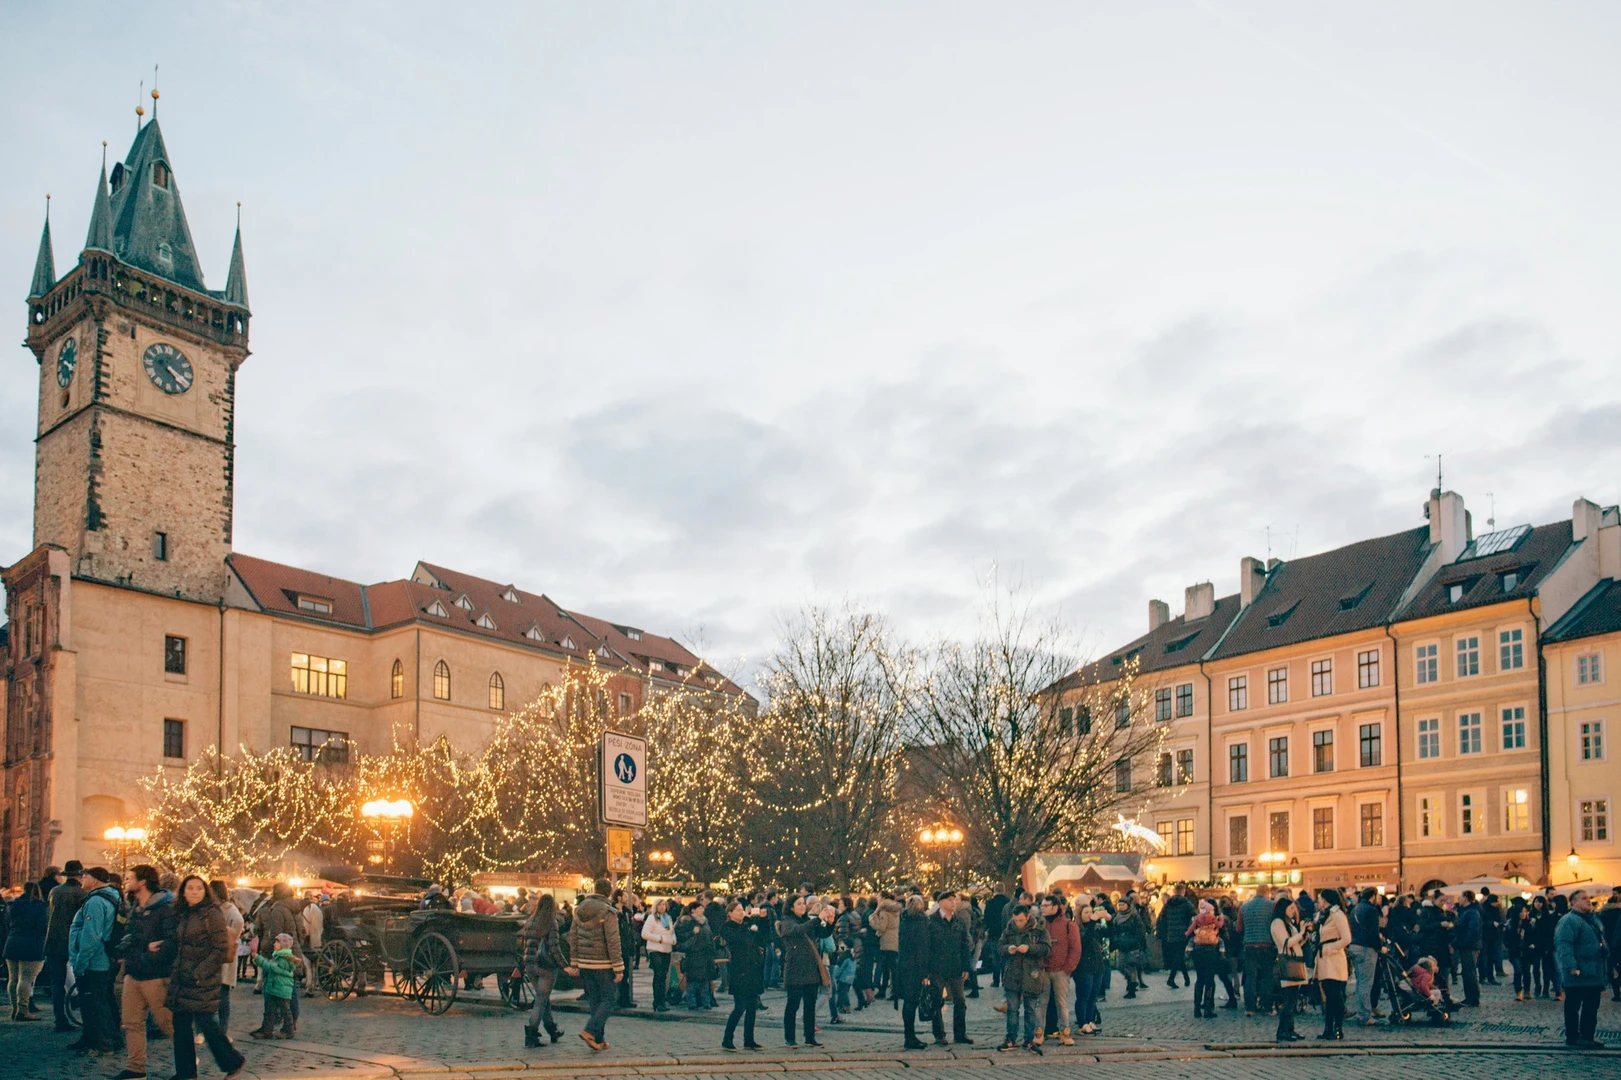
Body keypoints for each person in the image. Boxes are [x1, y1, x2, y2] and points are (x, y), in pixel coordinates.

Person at [167, 876, 246, 1080]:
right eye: (190, 888)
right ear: (183, 891)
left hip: (201, 979)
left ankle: (233, 1061)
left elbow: (220, 948)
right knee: (181, 1026)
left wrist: (199, 973)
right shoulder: (182, 913)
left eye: (199, 888)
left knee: (206, 1023)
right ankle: (186, 1073)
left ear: (205, 892)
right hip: (181, 977)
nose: (194, 892)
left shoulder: (212, 913)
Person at [116, 864, 177, 1080]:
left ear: (142, 881)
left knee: (167, 1023)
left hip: (155, 975)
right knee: (131, 1022)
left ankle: (188, 1064)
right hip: (133, 972)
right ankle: (136, 1068)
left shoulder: (165, 909)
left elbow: (170, 943)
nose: (126, 881)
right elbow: (130, 937)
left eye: (130, 878)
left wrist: (147, 955)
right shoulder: (133, 907)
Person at [565, 878, 623, 1051]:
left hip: (585, 963)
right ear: (609, 892)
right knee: (610, 999)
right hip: (603, 962)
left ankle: (598, 1038)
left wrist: (575, 962)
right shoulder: (607, 911)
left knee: (595, 1000)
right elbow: (613, 940)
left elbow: (573, 936)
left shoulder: (579, 909)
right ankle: (590, 1031)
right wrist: (618, 967)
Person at [1554, 890, 1607, 1050]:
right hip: (1577, 973)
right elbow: (1564, 945)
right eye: (1583, 898)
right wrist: (1571, 967)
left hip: (1593, 972)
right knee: (1573, 1006)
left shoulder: (1591, 919)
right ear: (1573, 902)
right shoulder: (1569, 920)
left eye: (1588, 898)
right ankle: (1573, 1036)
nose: (1588, 901)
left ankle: (1587, 1035)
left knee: (1591, 1006)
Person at [996, 904, 1049, 1054]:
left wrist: (1029, 948)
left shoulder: (1039, 930)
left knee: (1030, 1009)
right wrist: (1008, 949)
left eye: (1021, 920)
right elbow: (999, 947)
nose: (1018, 923)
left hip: (1032, 974)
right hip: (1013, 974)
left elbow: (1046, 949)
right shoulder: (1009, 929)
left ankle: (1029, 1040)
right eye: (1016, 920)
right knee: (1012, 1009)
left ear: (1027, 917)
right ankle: (1010, 1039)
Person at [925, 891, 974, 1047]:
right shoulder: (931, 921)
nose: (953, 903)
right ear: (940, 902)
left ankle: (960, 1033)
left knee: (960, 1001)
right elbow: (926, 947)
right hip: (937, 968)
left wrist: (966, 967)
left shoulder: (958, 921)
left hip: (955, 967)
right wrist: (926, 970)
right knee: (936, 1001)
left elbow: (964, 945)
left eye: (954, 900)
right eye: (949, 900)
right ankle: (939, 1035)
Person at [718, 899, 768, 1051]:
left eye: (742, 910)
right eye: (738, 910)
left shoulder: (745, 927)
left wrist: (761, 921)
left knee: (752, 1007)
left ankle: (749, 1040)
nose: (742, 913)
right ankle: (727, 1039)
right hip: (739, 971)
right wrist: (746, 922)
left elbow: (760, 938)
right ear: (730, 913)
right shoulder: (727, 927)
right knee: (740, 1007)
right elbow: (736, 939)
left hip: (752, 970)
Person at [43, 860, 86, 1032]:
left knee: (57, 983)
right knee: (82, 979)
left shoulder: (55, 891)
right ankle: (85, 1017)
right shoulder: (82, 893)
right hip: (73, 941)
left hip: (54, 941)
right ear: (80, 875)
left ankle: (59, 1019)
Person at [775, 894, 822, 1047]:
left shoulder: (806, 919)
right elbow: (798, 930)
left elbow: (822, 933)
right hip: (795, 969)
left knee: (810, 1006)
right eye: (799, 904)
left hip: (810, 968)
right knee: (793, 1005)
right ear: (791, 907)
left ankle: (809, 1037)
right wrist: (817, 919)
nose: (803, 906)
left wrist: (829, 921)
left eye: (803, 903)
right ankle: (790, 1037)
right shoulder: (787, 921)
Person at [520, 893, 567, 1047]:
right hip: (545, 965)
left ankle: (552, 1029)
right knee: (541, 1000)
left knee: (543, 998)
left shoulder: (530, 921)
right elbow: (554, 947)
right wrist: (564, 965)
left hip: (530, 964)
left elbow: (525, 944)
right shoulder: (551, 922)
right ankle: (531, 1034)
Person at [1037, 894, 1078, 1045]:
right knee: (1041, 1003)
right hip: (1044, 970)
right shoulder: (1039, 925)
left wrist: (1067, 969)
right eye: (1041, 905)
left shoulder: (1068, 925)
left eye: (1046, 906)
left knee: (1061, 1003)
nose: (1042, 908)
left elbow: (1075, 948)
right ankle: (1039, 1033)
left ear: (1055, 907)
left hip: (1060, 971)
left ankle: (1065, 1033)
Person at [5, 881, 48, 1021]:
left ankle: (15, 1009)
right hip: (31, 944)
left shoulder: (13, 905)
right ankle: (23, 1011)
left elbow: (7, 924)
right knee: (25, 979)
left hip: (12, 942)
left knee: (13, 979)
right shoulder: (39, 906)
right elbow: (42, 927)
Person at [1313, 889, 1350, 1040]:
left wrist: (1330, 948)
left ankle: (1337, 1028)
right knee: (1328, 996)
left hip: (1334, 959)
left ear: (1325, 899)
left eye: (1320, 899)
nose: (1318, 901)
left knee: (1335, 995)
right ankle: (1328, 1028)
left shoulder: (1337, 915)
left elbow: (1346, 938)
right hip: (1325, 959)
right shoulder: (1324, 915)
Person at [1270, 896, 1307, 1043]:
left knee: (1292, 998)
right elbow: (1286, 943)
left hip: (1294, 961)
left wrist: (1304, 935)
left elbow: (1295, 943)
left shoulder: (1288, 923)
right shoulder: (1277, 923)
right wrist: (1301, 933)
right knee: (1288, 1000)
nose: (1293, 911)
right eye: (1291, 908)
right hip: (1287, 963)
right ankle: (1283, 1031)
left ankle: (1289, 1029)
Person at [895, 895, 930, 1049]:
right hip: (916, 967)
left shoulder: (904, 921)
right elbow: (923, 948)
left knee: (908, 1001)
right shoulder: (922, 923)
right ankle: (910, 1037)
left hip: (904, 965)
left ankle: (908, 1034)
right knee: (913, 1001)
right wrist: (924, 972)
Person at [1238, 884, 1275, 1017]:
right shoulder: (1272, 905)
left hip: (1249, 944)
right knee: (1267, 976)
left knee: (1250, 977)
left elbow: (1239, 928)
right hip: (1267, 944)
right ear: (1267, 892)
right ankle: (1267, 1007)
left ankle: (1250, 1008)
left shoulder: (1244, 907)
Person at [249, 934, 297, 1038]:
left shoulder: (283, 959)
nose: (274, 943)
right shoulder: (278, 956)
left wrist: (257, 957)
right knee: (269, 1010)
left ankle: (289, 1030)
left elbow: (271, 967)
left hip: (281, 989)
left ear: (283, 944)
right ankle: (267, 1030)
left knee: (285, 1011)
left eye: (277, 942)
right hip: (274, 988)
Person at [1185, 898, 1225, 1019]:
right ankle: (1208, 1008)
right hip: (1212, 950)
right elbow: (1221, 929)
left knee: (1199, 979)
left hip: (1198, 950)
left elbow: (1190, 932)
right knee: (1209, 980)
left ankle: (1197, 1009)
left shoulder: (1196, 918)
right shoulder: (1214, 918)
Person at [1348, 886, 1383, 1026]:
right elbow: (1373, 933)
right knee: (1366, 983)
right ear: (1373, 896)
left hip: (1354, 946)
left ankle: (1361, 1012)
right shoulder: (1371, 910)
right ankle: (1364, 1015)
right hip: (1366, 948)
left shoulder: (1355, 909)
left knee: (1360, 982)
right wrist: (1380, 947)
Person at [641, 899, 676, 1013]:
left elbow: (671, 931)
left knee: (663, 976)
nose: (662, 907)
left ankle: (662, 1001)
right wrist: (659, 939)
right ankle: (657, 1001)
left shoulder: (668, 918)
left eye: (664, 905)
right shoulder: (652, 918)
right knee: (658, 975)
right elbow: (645, 934)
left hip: (666, 949)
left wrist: (673, 939)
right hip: (655, 949)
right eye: (660, 905)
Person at [1157, 884, 1194, 989]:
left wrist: (1164, 931)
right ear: (1183, 891)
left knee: (1178, 955)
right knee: (1179, 955)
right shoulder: (1186, 903)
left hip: (1170, 933)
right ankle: (1171, 978)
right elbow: (1193, 916)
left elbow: (1162, 918)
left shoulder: (1168, 903)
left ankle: (1186, 978)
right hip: (1183, 933)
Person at [1451, 890, 1482, 1007]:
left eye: (1460, 897)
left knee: (1469, 972)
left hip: (1470, 947)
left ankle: (1473, 998)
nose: (1459, 899)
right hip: (1467, 946)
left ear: (1465, 898)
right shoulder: (1466, 911)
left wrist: (1464, 943)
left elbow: (1472, 931)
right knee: (1467, 972)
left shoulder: (1472, 912)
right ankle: (1470, 997)